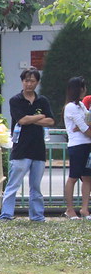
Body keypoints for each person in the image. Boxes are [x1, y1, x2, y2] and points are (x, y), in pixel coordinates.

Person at [0, 68, 53, 222]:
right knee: (13, 184)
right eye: (26, 80)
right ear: (22, 81)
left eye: (32, 81)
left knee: (35, 186)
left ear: (37, 82)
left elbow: (51, 120)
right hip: (21, 148)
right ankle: (6, 215)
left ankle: (37, 216)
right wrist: (40, 117)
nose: (29, 84)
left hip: (38, 148)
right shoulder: (15, 100)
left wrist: (33, 118)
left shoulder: (42, 101)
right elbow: (21, 120)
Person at [62, 76, 91, 220]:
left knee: (87, 177)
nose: (85, 90)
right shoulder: (71, 107)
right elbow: (85, 127)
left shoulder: (81, 105)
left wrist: (82, 128)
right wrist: (83, 129)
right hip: (77, 146)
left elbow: (86, 122)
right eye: (83, 87)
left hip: (87, 145)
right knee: (73, 177)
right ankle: (70, 209)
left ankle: (84, 209)